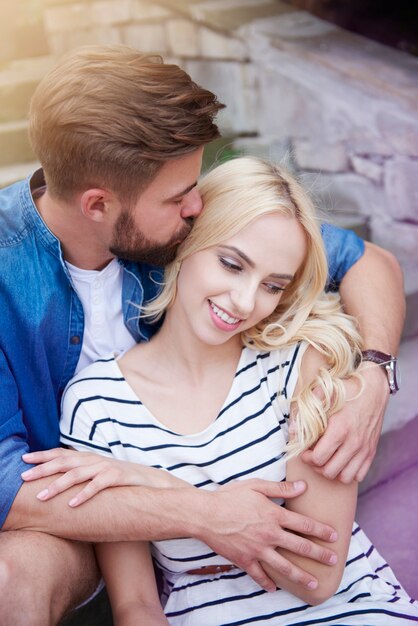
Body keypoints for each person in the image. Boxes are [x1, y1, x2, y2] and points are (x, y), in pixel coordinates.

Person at [0, 44, 404, 624]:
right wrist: (203, 511)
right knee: (10, 577)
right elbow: (6, 489)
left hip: (146, 480)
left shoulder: (187, 232)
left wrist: (373, 371)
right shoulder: (19, 281)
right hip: (65, 510)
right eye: (177, 197)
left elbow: (371, 263)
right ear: (98, 204)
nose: (198, 203)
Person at [56, 156, 418, 625]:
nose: (246, 302)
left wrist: (156, 486)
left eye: (272, 285)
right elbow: (136, 604)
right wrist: (202, 511)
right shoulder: (96, 402)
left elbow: (317, 576)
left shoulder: (301, 364)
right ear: (187, 242)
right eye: (231, 264)